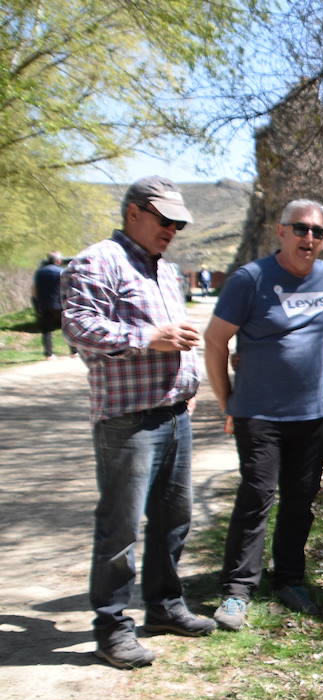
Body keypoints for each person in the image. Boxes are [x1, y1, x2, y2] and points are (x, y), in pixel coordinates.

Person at [61, 176, 212, 668]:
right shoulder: (97, 260)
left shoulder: (165, 270)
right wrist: (151, 337)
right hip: (127, 421)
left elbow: (179, 339)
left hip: (173, 415)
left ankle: (165, 606)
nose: (172, 229)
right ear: (133, 213)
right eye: (164, 219)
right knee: (120, 526)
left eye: (178, 223)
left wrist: (187, 388)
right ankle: (111, 625)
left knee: (174, 520)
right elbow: (80, 327)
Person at [204, 200, 323, 628]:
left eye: (318, 233)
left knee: (300, 500)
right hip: (259, 413)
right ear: (281, 232)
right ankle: (236, 590)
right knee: (256, 497)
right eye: (301, 229)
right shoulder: (249, 280)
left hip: (313, 414)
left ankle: (289, 578)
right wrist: (227, 400)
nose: (309, 239)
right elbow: (215, 341)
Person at [32, 252, 66, 359]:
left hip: (44, 303)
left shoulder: (39, 272)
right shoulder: (62, 271)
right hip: (60, 303)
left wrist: (36, 301)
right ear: (58, 261)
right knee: (68, 326)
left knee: (46, 329)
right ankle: (74, 352)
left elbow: (34, 288)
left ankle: (49, 354)